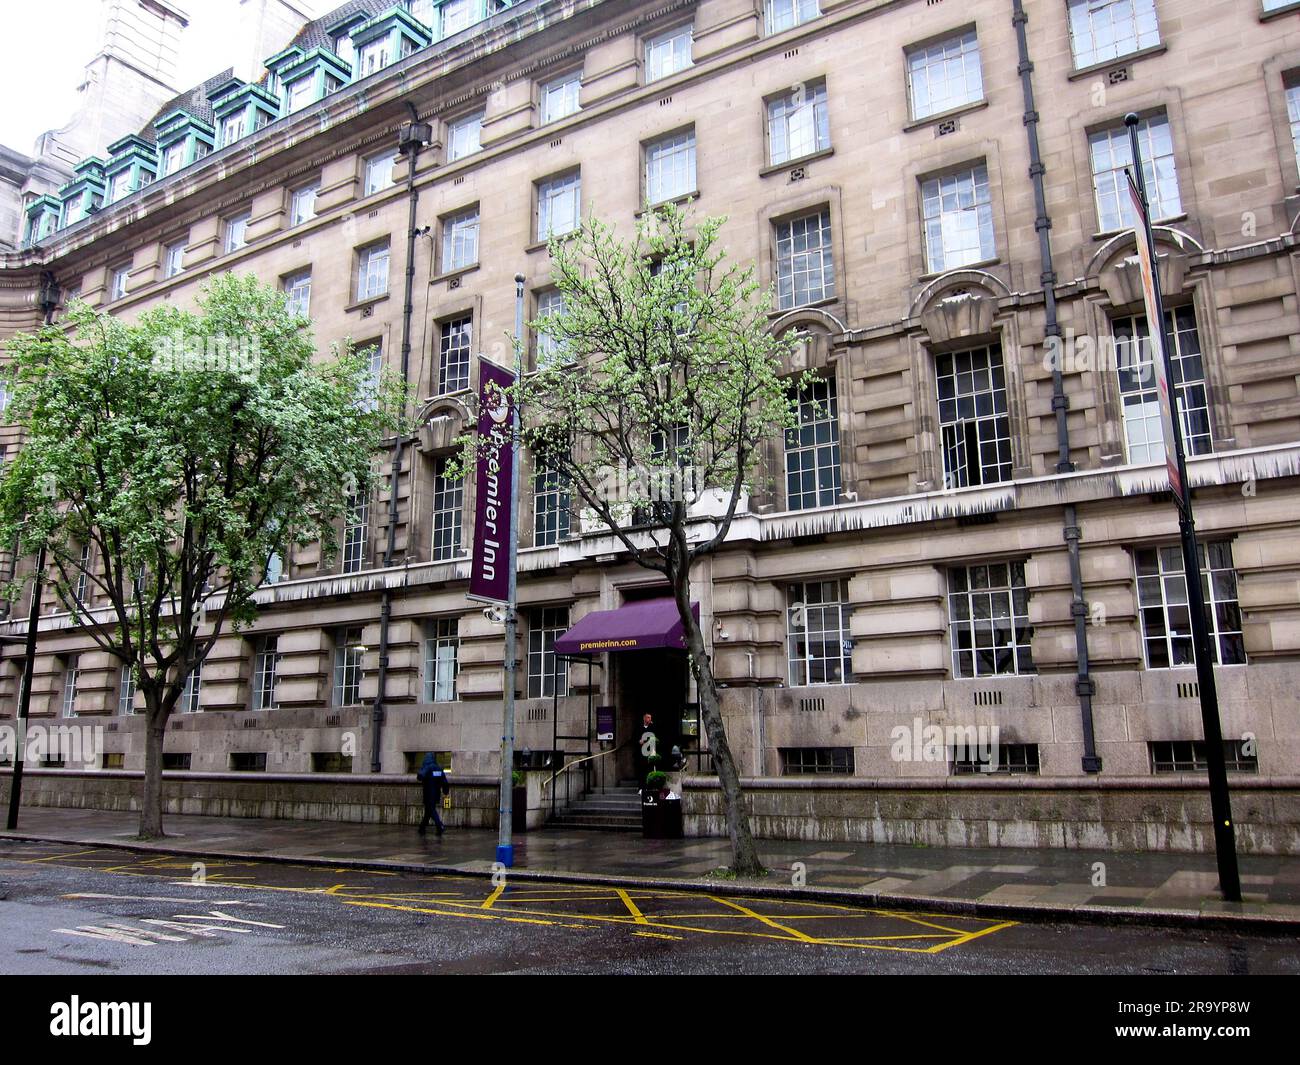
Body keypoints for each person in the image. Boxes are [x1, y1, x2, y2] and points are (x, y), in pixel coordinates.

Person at [416, 753, 449, 836]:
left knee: (431, 810)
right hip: (436, 793)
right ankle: (422, 828)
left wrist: (420, 771)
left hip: (428, 793)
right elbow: (444, 781)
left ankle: (439, 825)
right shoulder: (439, 768)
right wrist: (445, 791)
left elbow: (421, 776)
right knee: (428, 811)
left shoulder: (428, 767)